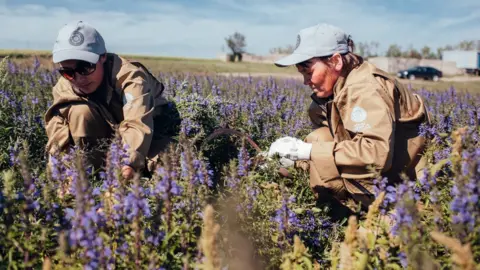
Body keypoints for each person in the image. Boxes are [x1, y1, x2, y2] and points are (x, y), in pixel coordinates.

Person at [267, 23, 430, 211]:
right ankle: (346, 209)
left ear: (336, 61)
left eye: (309, 72)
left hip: (402, 184)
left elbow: (375, 153)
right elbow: (336, 143)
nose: (305, 81)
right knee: (318, 139)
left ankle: (362, 214)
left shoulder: (363, 88)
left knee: (316, 145)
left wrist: (306, 151)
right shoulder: (331, 93)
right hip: (382, 174)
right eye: (302, 73)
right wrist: (292, 159)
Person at [44, 20, 180, 179]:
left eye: (85, 68)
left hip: (149, 134)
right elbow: (58, 135)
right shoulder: (63, 88)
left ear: (102, 57)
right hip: (105, 137)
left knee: (171, 167)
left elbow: (138, 122)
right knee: (79, 112)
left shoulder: (130, 77)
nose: (78, 78)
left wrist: (128, 164)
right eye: (67, 72)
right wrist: (61, 176)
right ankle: (93, 176)